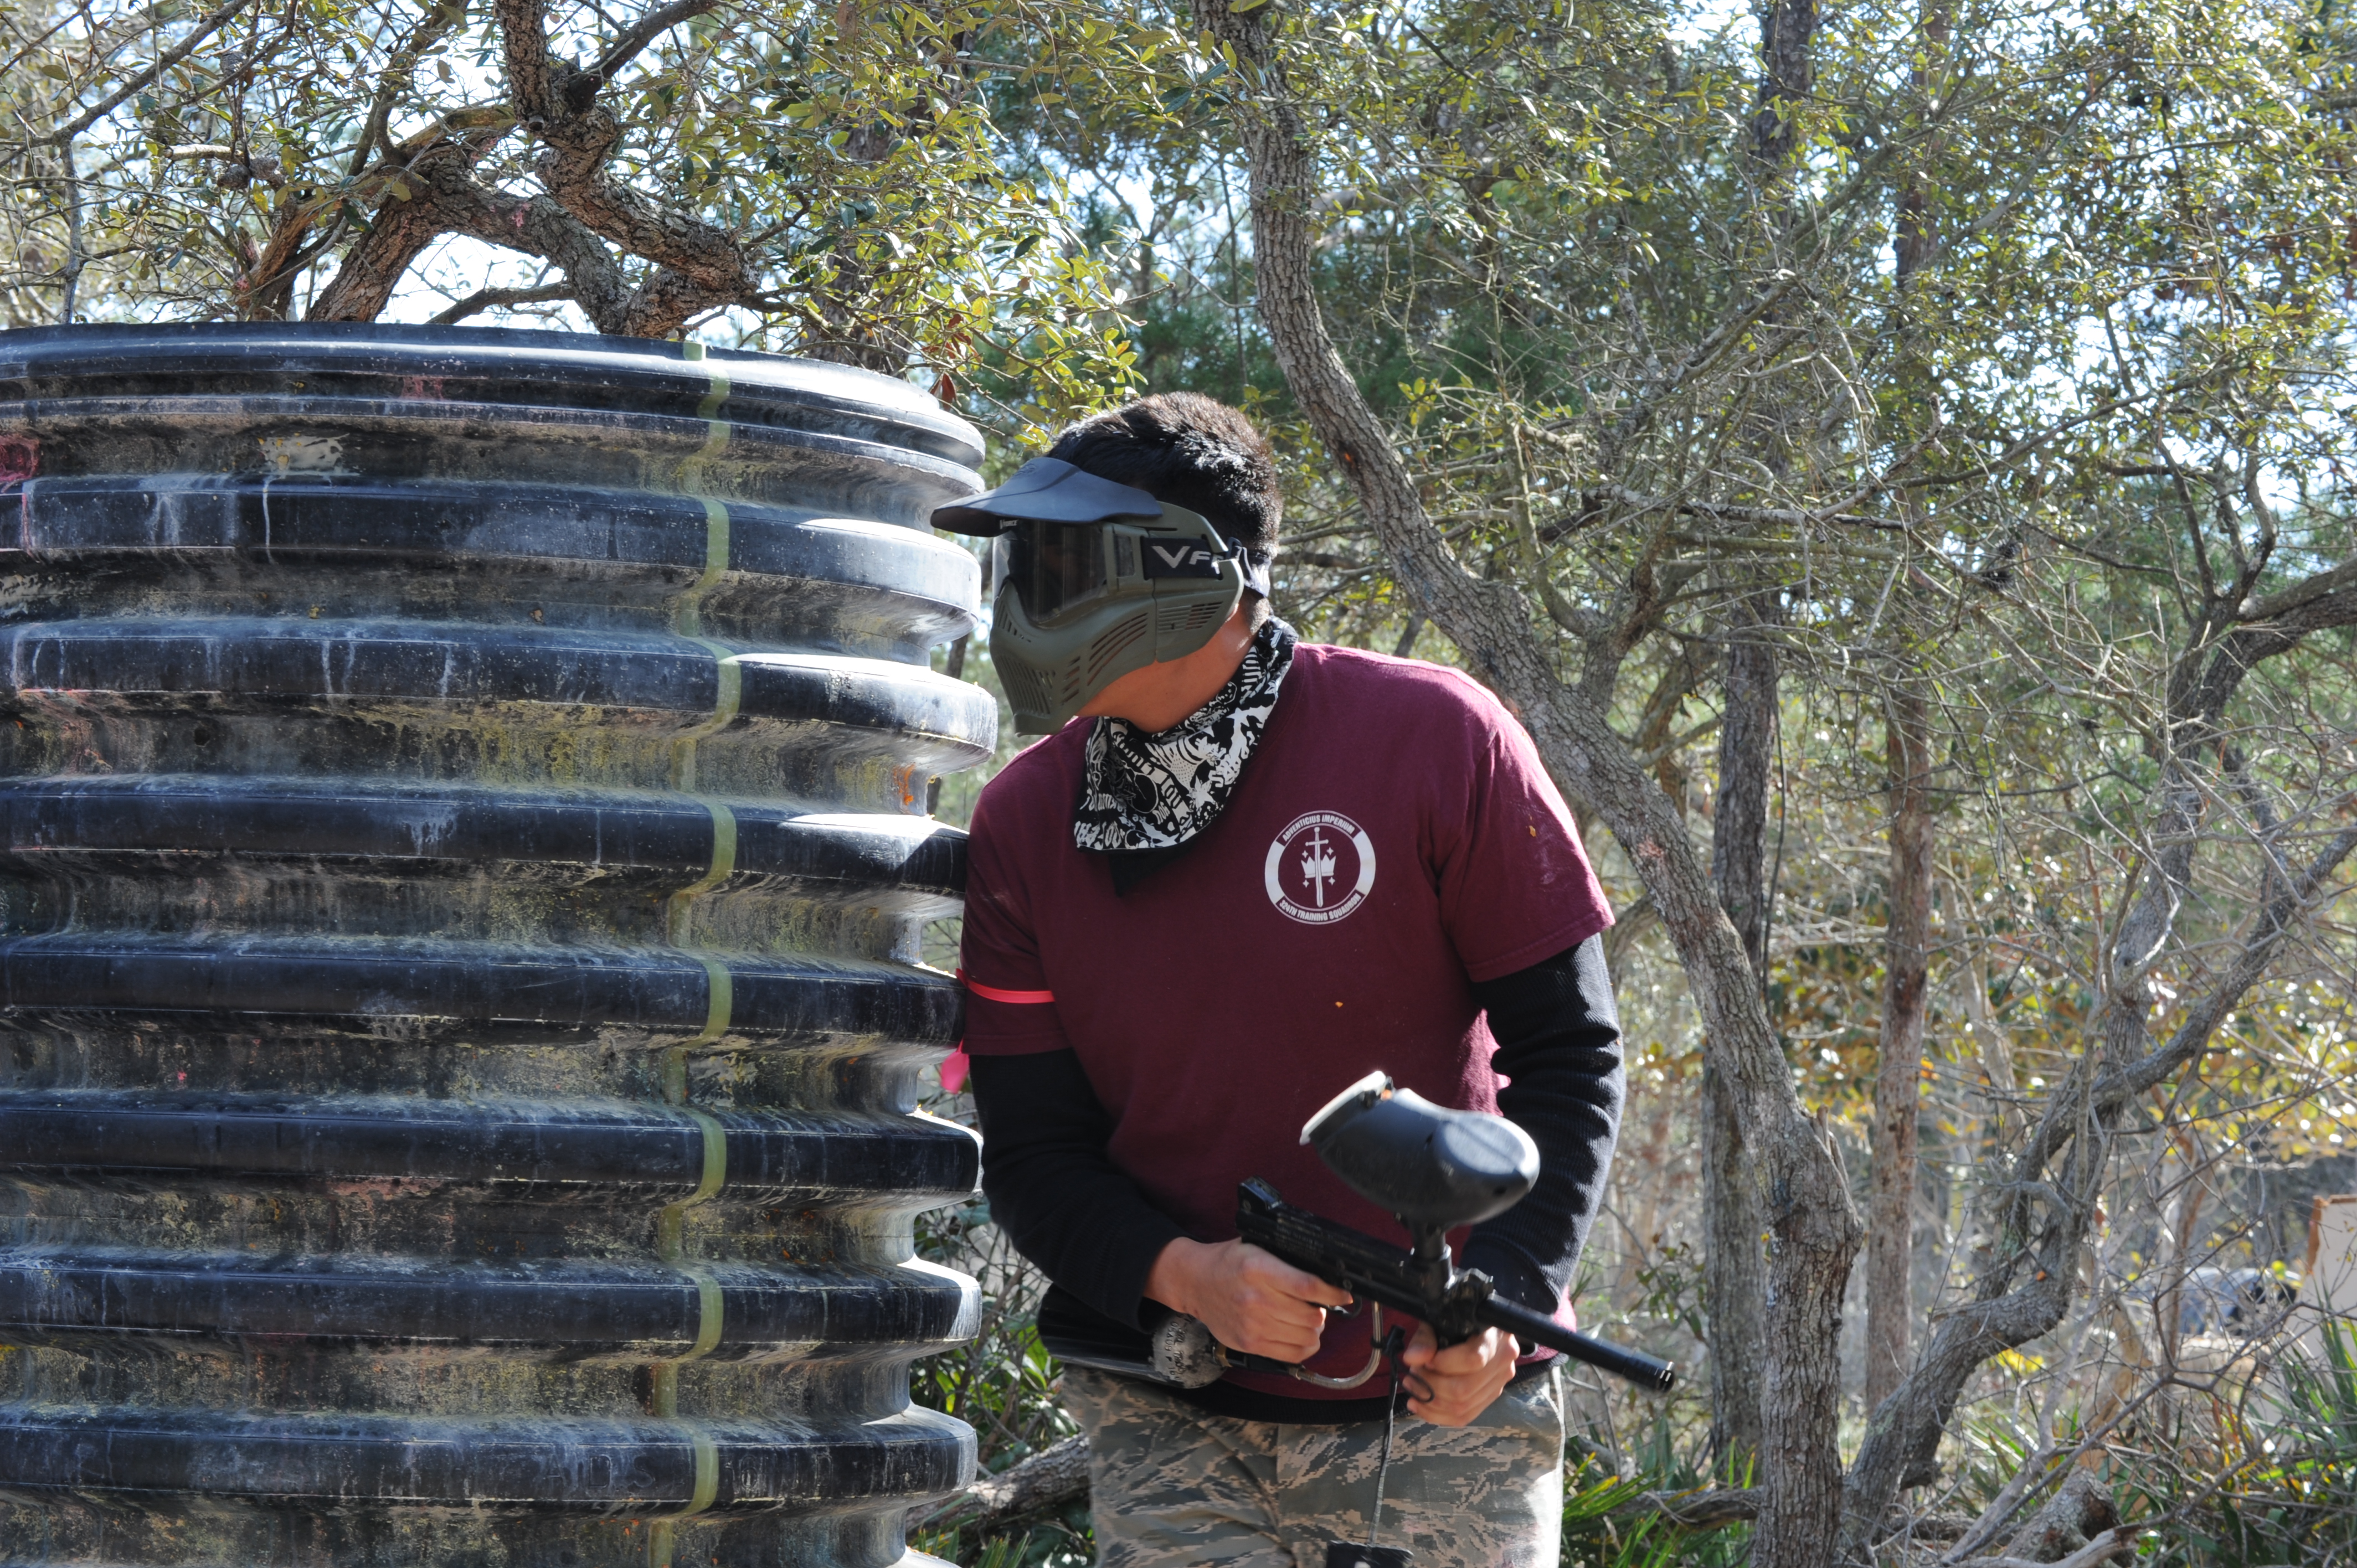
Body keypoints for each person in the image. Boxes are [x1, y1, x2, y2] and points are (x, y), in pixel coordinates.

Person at [934, 393, 1625, 1568]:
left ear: (1196, 577)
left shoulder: (1432, 738)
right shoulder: (1022, 820)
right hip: (1169, 1402)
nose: (1031, 596)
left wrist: (1499, 1303)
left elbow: (1570, 1056)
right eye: (1026, 562)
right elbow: (1035, 1149)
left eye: (1066, 561)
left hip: (1440, 1410)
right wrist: (1183, 1275)